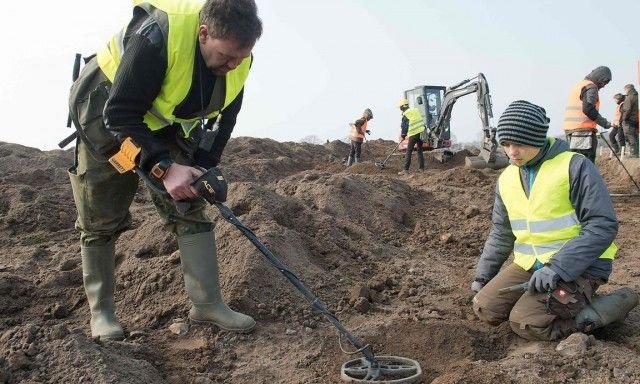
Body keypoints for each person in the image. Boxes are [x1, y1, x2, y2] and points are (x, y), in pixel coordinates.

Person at [67, 0, 262, 340]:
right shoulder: (157, 35)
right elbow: (121, 113)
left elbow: (226, 119)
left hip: (163, 124)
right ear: (204, 33)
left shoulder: (238, 60)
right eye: (226, 56)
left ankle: (206, 303)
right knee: (100, 216)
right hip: (107, 112)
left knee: (190, 205)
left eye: (240, 58)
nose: (233, 65)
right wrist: (164, 168)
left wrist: (201, 166)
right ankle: (102, 315)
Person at [471, 100, 638, 341]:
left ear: (537, 138)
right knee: (486, 308)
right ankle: (546, 301)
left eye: (519, 144)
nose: (511, 152)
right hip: (532, 265)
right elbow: (501, 233)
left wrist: (558, 267)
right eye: (505, 144)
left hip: (581, 266)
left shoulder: (575, 166)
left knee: (527, 322)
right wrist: (482, 277)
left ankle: (611, 306)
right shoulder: (506, 179)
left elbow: (602, 224)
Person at [563, 66, 612, 163]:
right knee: (586, 165)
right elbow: (588, 109)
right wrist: (606, 123)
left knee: (576, 164)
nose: (604, 85)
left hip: (572, 131)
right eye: (604, 82)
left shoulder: (580, 85)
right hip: (582, 132)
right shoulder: (591, 87)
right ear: (599, 78)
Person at [397, 99, 425, 175]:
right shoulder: (415, 111)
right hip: (421, 133)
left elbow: (404, 126)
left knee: (409, 151)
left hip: (413, 134)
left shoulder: (406, 114)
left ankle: (405, 170)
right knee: (420, 151)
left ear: (402, 107)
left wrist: (403, 135)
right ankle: (421, 169)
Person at [621, 84, 639, 157]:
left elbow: (627, 109)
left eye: (625, 89)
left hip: (629, 119)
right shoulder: (636, 96)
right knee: (634, 135)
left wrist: (624, 118)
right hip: (634, 119)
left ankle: (634, 153)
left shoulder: (629, 98)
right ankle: (635, 152)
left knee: (630, 135)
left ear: (628, 89)